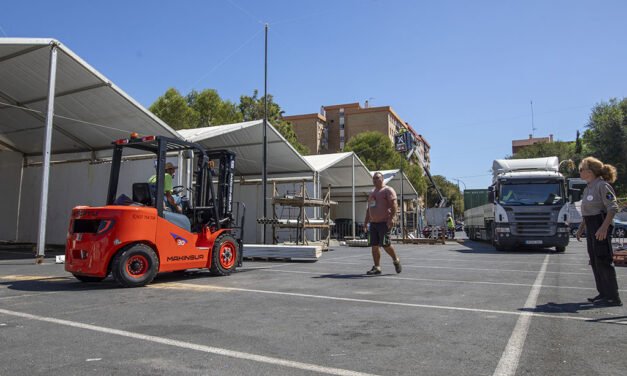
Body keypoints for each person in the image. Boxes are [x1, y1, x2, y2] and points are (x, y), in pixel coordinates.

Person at [575, 157, 622, 307]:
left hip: (600, 224)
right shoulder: (588, 187)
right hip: (591, 224)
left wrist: (603, 227)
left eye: (581, 170)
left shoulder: (602, 185)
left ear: (589, 172)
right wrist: (581, 228)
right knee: (595, 261)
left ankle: (613, 297)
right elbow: (588, 211)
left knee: (603, 260)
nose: (580, 172)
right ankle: (603, 293)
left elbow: (613, 207)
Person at [363, 172, 402, 275]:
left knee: (385, 244)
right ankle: (377, 267)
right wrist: (365, 222)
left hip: (384, 222)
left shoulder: (388, 190)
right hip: (373, 223)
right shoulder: (372, 192)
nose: (375, 180)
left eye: (377, 178)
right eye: (374, 179)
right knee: (374, 246)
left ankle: (396, 260)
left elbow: (394, 205)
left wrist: (392, 218)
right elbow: (369, 209)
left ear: (382, 179)